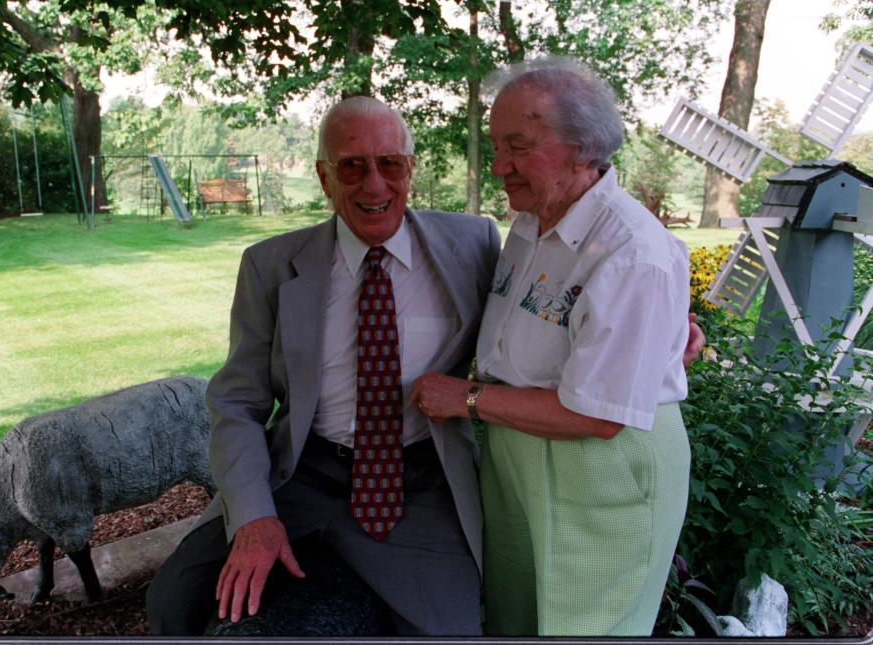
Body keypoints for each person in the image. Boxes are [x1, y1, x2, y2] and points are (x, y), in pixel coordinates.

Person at [146, 95, 501, 636]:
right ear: (323, 176)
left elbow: (541, 312)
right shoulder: (270, 267)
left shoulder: (472, 245)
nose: (374, 185)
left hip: (419, 484)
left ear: (411, 168)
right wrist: (255, 516)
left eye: (390, 164)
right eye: (352, 166)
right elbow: (237, 402)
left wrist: (663, 337)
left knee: (449, 634)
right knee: (173, 602)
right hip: (301, 476)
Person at [411, 57, 694, 636]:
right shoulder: (531, 223)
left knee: (586, 623)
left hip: (601, 467)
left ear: (583, 148)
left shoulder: (633, 252)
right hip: (520, 449)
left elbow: (597, 416)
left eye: (517, 145)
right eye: (496, 146)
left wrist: (464, 399)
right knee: (520, 614)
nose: (498, 167)